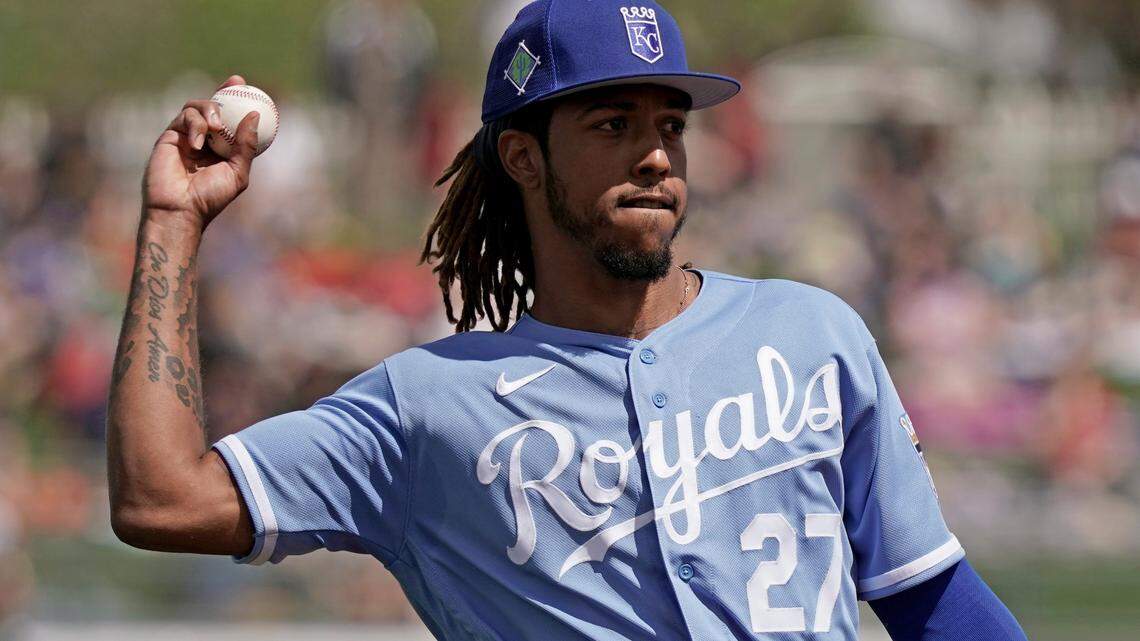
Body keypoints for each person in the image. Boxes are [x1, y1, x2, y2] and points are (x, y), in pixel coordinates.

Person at [106, 2, 1027, 638]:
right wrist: (173, 224)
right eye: (612, 124)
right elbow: (162, 499)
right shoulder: (430, 405)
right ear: (523, 155)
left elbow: (930, 597)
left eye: (671, 124)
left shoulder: (813, 334)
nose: (658, 154)